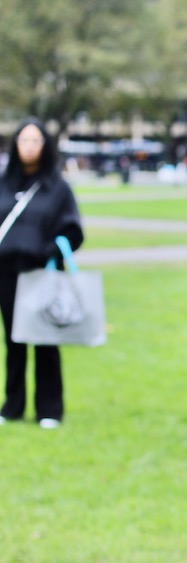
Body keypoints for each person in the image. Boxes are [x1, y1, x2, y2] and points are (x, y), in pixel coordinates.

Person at [0, 117, 83, 429]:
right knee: (14, 340)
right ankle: (13, 405)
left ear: (45, 146)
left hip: (42, 273)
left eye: (36, 140)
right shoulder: (4, 184)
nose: (29, 146)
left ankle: (49, 408)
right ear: (16, 144)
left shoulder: (58, 189)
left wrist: (51, 249)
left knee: (46, 339)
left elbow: (74, 231)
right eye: (24, 140)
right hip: (7, 273)